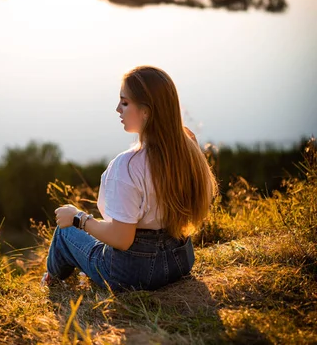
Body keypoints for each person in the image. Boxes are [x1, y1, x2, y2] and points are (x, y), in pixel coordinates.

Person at [42, 65, 218, 292]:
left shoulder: (127, 165)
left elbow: (122, 239)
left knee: (65, 232)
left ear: (146, 111)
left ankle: (50, 281)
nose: (117, 109)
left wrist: (78, 218)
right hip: (180, 261)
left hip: (134, 273)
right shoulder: (187, 150)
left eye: (125, 103)